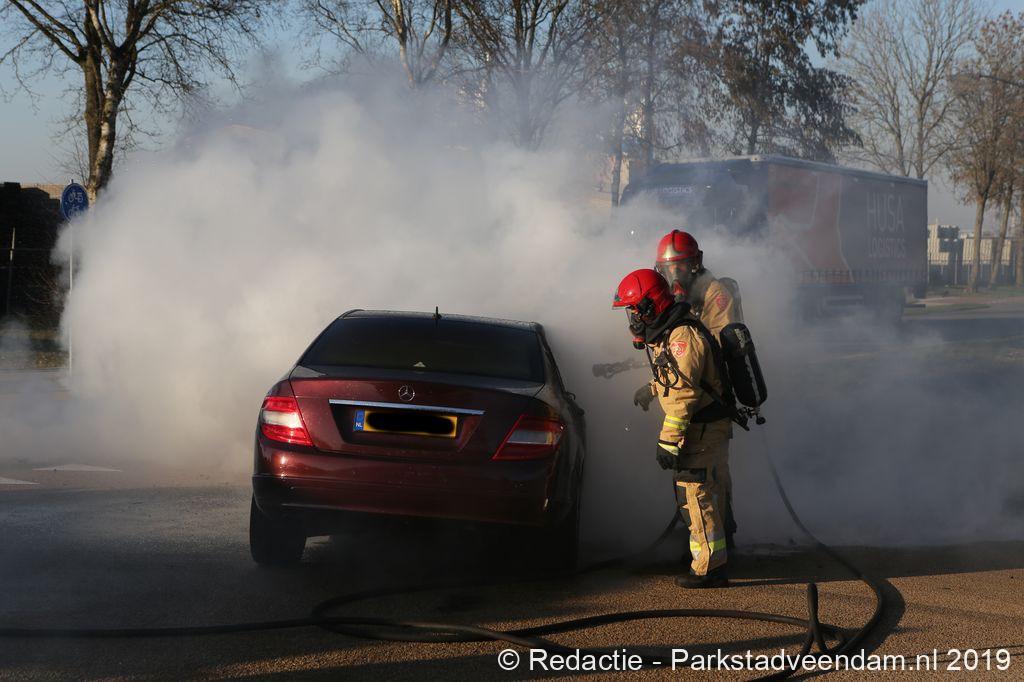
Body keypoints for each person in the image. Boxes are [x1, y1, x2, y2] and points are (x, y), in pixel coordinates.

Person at [613, 268, 732, 588]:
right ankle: (715, 555)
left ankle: (709, 568)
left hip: (701, 430)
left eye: (634, 310)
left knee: (696, 494)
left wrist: (668, 441)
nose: (632, 319)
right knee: (710, 491)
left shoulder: (681, 337)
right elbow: (677, 377)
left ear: (650, 306)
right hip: (705, 427)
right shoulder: (672, 332)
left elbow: (684, 394)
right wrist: (652, 389)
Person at [653, 228, 741, 549]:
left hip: (712, 400)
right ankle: (710, 537)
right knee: (708, 478)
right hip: (696, 398)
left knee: (706, 479)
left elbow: (711, 350)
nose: (674, 275)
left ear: (696, 263)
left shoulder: (716, 294)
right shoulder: (678, 297)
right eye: (668, 268)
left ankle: (714, 547)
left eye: (681, 266)